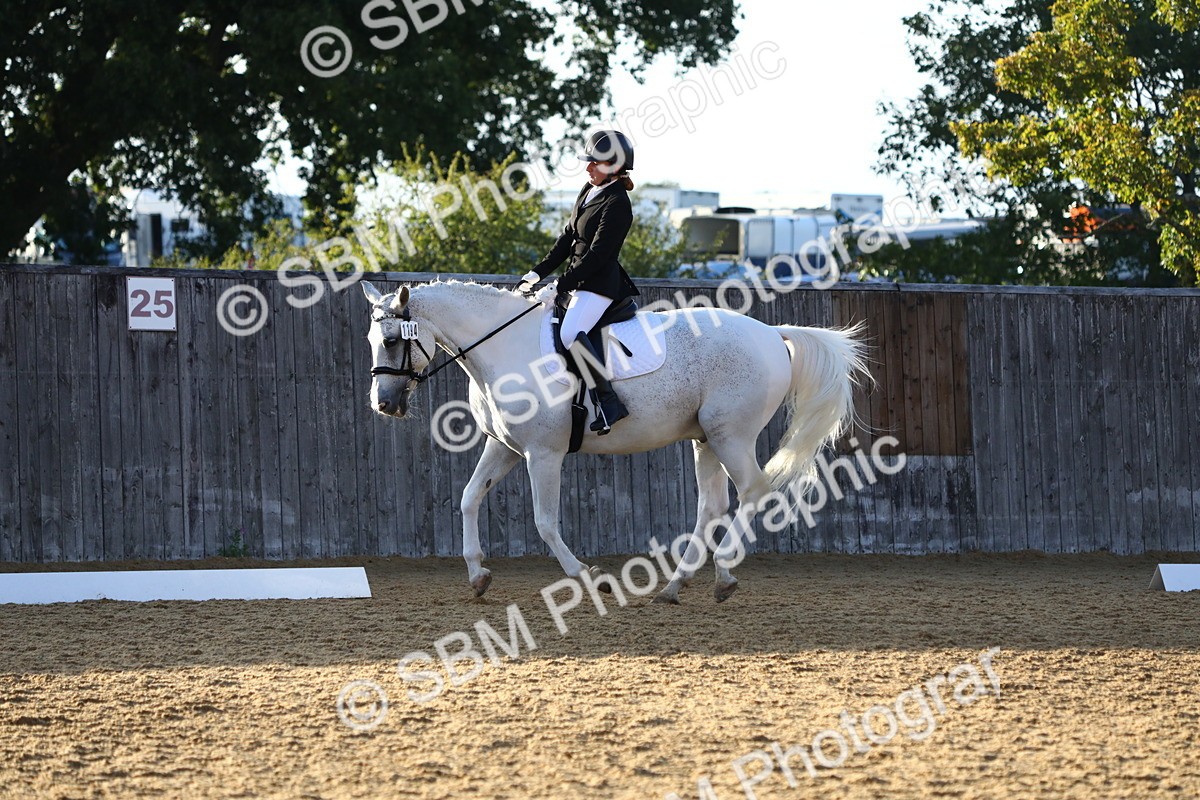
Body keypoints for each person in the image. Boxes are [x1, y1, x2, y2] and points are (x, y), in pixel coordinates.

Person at [517, 130, 641, 434]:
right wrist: (537, 272)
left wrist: (560, 284)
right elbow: (567, 238)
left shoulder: (618, 203)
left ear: (613, 166)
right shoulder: (588, 189)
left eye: (594, 163)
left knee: (572, 332)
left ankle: (608, 402)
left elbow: (598, 255)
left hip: (598, 284)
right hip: (576, 279)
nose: (587, 168)